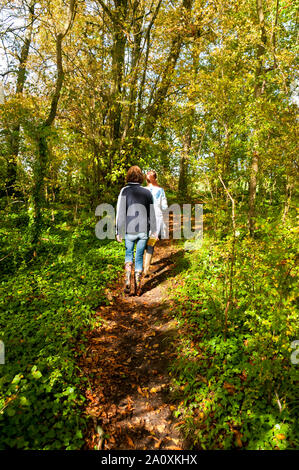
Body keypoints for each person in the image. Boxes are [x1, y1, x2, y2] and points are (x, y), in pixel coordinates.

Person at [116, 166, 157, 295]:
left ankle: (127, 278)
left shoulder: (124, 191)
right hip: (143, 230)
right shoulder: (147, 192)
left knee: (129, 253)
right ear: (140, 177)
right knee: (139, 256)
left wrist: (118, 230)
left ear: (128, 176)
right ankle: (138, 284)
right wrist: (154, 230)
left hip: (129, 230)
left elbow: (120, 212)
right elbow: (152, 213)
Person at [143, 170, 168, 276]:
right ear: (155, 178)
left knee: (143, 242)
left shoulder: (142, 190)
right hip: (156, 220)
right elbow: (164, 207)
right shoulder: (160, 191)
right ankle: (146, 269)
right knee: (150, 244)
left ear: (146, 179)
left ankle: (143, 266)